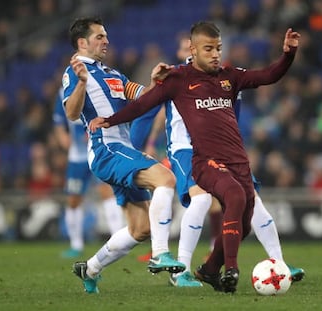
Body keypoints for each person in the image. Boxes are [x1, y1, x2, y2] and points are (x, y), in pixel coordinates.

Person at [89, 21, 301, 293]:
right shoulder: (176, 78)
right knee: (209, 199)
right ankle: (195, 269)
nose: (215, 54)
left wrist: (288, 55)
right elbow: (143, 106)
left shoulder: (229, 76)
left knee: (247, 214)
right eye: (209, 49)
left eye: (219, 48)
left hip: (233, 157)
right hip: (192, 153)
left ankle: (218, 268)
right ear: (193, 49)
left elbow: (269, 75)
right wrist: (111, 120)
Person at [62, 17, 185, 294]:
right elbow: (71, 113)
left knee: (140, 228)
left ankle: (90, 268)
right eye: (99, 36)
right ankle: (161, 254)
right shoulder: (75, 72)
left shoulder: (113, 74)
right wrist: (82, 83)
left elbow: (141, 97)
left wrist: (155, 83)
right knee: (165, 179)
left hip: (124, 150)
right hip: (106, 150)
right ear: (82, 42)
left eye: (105, 36)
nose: (106, 40)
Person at [53, 87, 127, 258]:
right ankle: (76, 244)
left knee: (107, 192)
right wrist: (63, 138)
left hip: (99, 151)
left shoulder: (98, 87)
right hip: (77, 156)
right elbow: (58, 122)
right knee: (73, 199)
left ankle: (118, 241)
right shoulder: (63, 92)